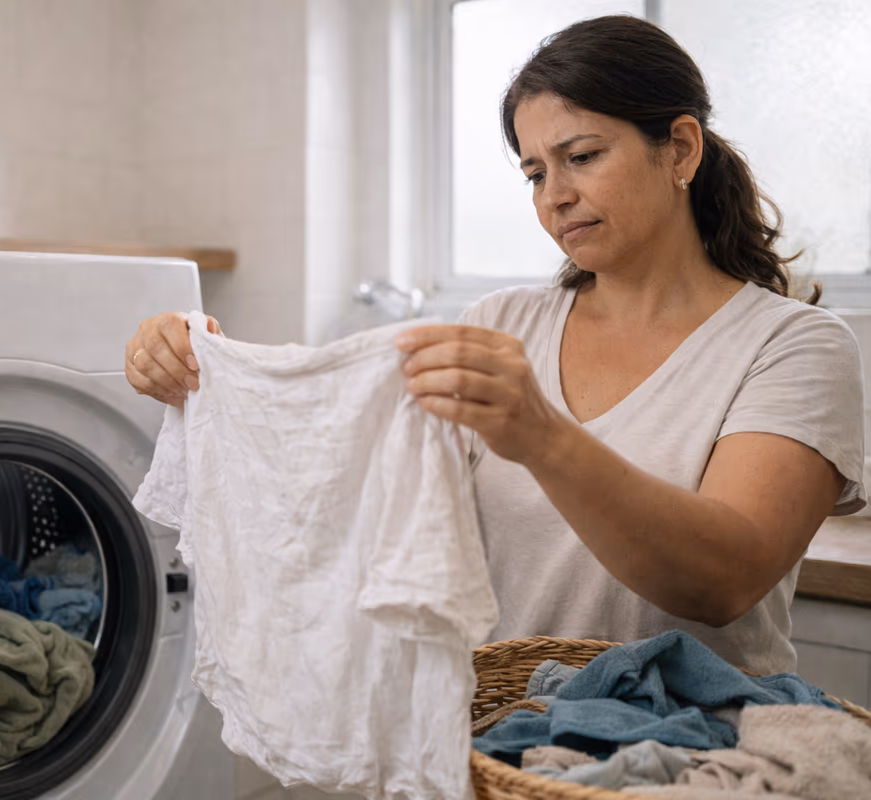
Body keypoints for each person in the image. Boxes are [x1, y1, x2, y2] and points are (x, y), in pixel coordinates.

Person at [122, 15, 864, 675]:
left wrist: (542, 434)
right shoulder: (504, 324)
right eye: (536, 173)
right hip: (502, 747)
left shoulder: (793, 346)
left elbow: (723, 580)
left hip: (697, 762)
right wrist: (203, 368)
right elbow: (341, 471)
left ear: (679, 150)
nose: (554, 196)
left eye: (582, 156)